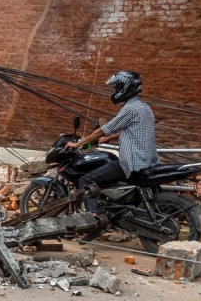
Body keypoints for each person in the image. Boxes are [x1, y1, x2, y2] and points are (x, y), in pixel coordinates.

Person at [65, 70, 159, 212]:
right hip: (147, 160)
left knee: (86, 180)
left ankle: (94, 217)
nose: (115, 90)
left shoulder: (130, 109)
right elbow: (131, 130)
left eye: (117, 87)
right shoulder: (144, 107)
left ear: (125, 88)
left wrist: (78, 144)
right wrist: (108, 139)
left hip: (131, 162)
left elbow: (104, 128)